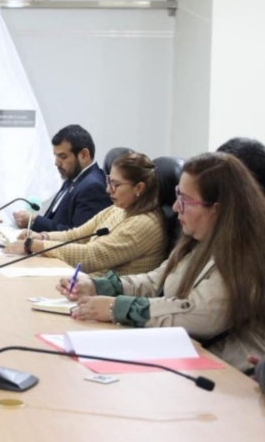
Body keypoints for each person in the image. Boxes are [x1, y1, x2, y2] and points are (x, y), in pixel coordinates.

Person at [59, 152, 265, 372]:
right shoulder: (197, 242)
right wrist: (97, 286)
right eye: (177, 195)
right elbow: (156, 282)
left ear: (217, 208)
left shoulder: (244, 255)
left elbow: (198, 315)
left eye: (185, 200)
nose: (175, 207)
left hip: (231, 373)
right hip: (189, 357)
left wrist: (116, 308)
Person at [6, 152, 166, 276]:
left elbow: (92, 256)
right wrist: (42, 237)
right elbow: (77, 235)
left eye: (116, 184)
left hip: (111, 297)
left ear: (139, 188)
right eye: (109, 181)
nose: (108, 189)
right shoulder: (118, 209)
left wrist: (35, 246)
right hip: (88, 287)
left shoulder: (145, 224)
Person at [12, 125, 111, 232]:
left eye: (63, 157)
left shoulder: (93, 187)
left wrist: (34, 221)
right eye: (56, 156)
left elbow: (79, 235)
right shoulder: (74, 177)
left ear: (84, 155)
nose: (56, 163)